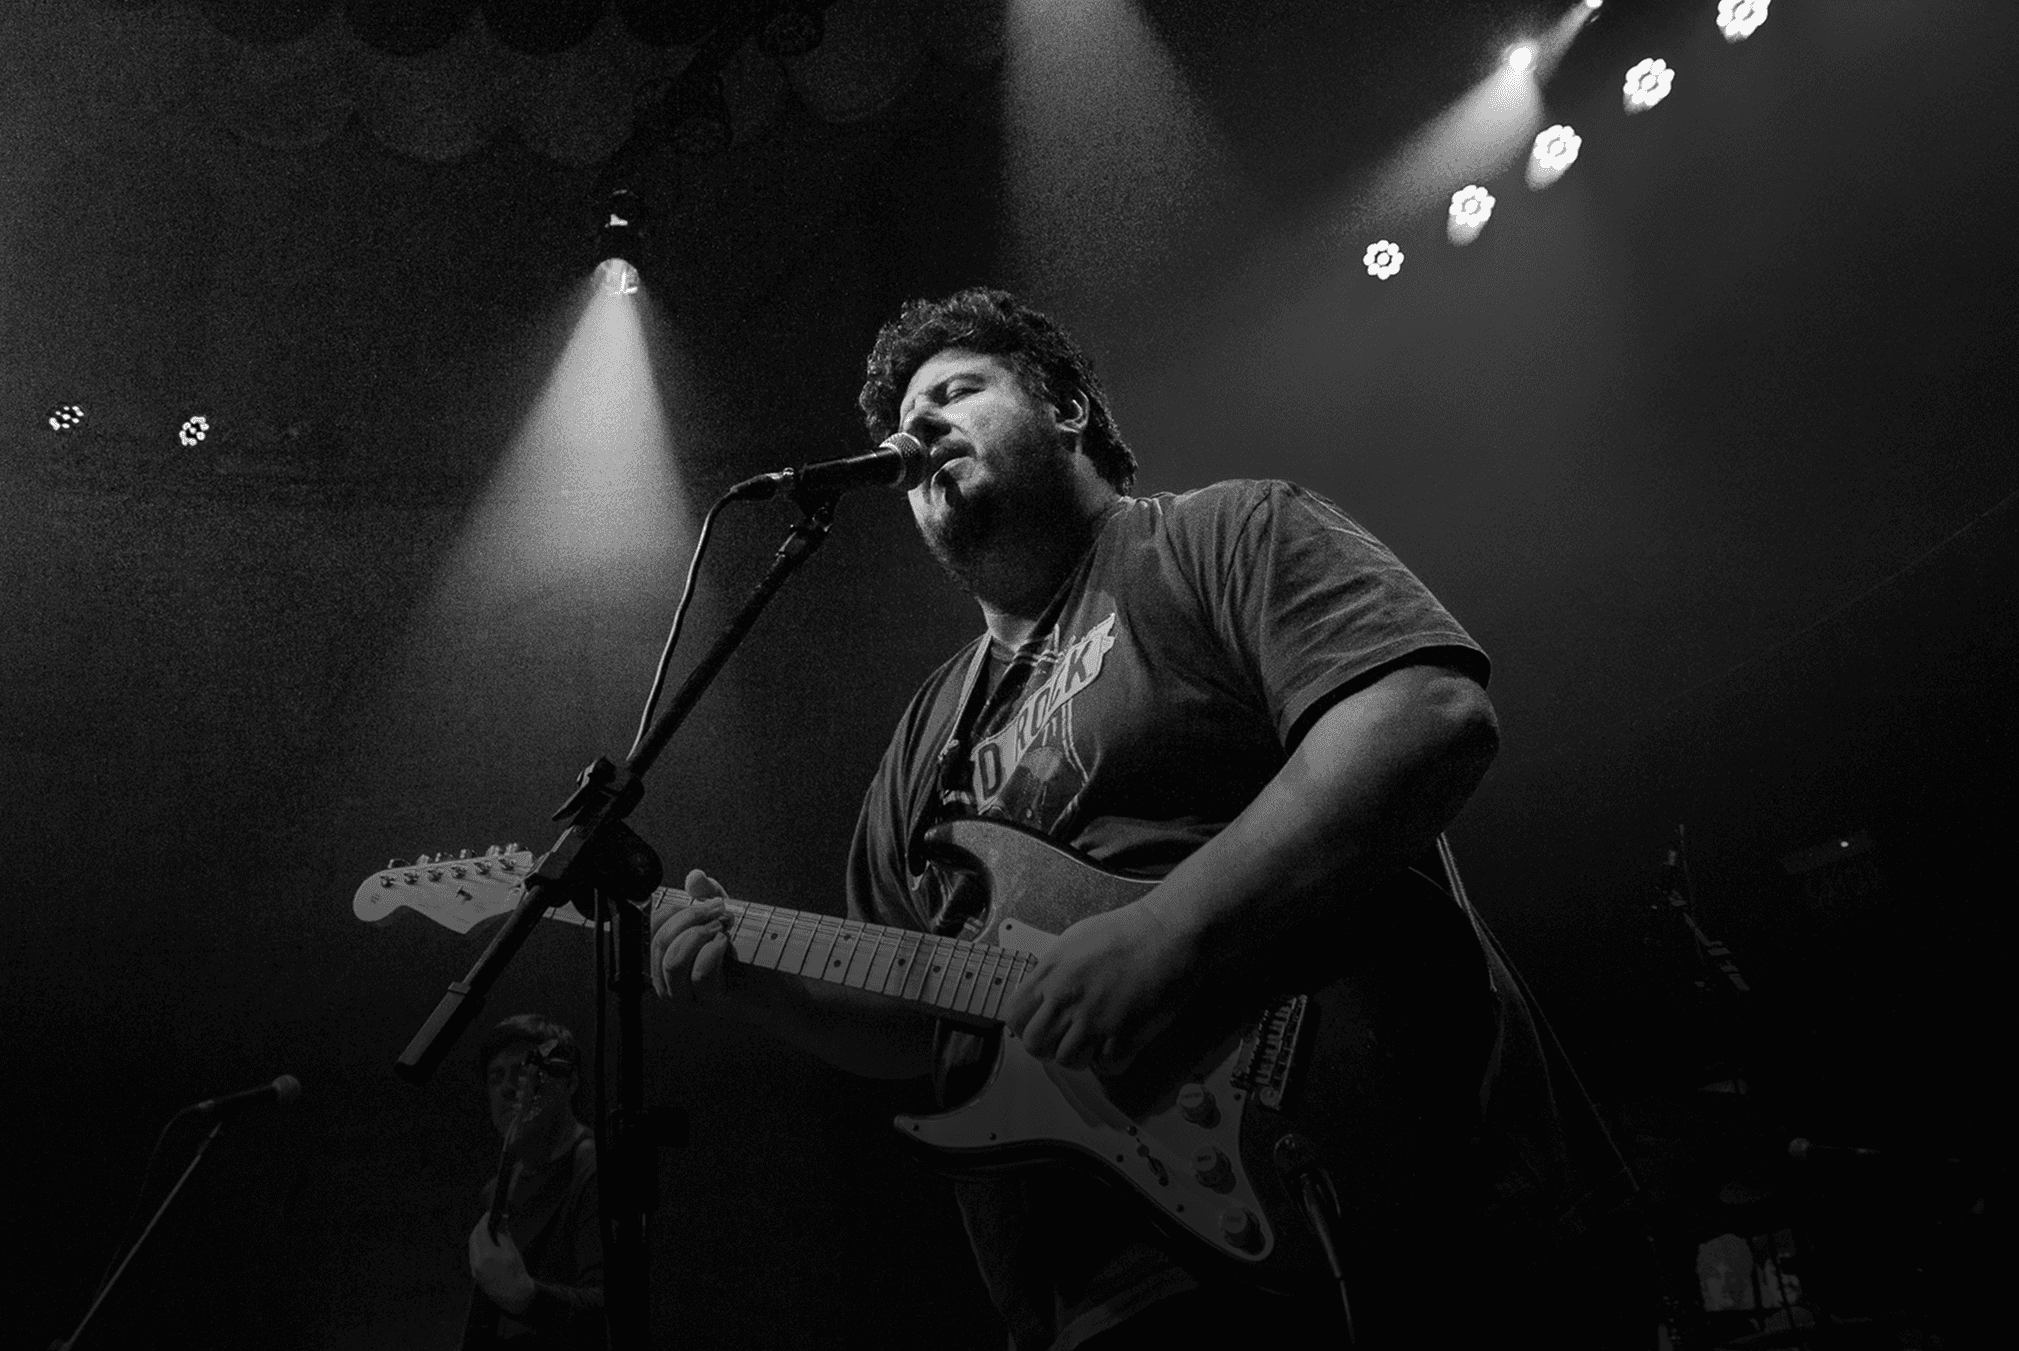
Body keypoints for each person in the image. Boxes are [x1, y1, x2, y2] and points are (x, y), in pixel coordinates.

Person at [651, 288, 1636, 1347]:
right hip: (1103, 1292)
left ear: (1068, 407)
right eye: (903, 415)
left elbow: (1425, 715)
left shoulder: (1219, 535)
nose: (918, 425)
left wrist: (1170, 933)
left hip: (1376, 1186)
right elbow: (921, 1017)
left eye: (957, 390)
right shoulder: (923, 743)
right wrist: (755, 976)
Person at [462, 1014, 604, 1350]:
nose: (509, 1086)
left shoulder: (598, 1170)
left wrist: (526, 1297)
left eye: (525, 1071)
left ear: (568, 1082)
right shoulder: (497, 1190)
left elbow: (619, 1313)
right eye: (497, 1075)